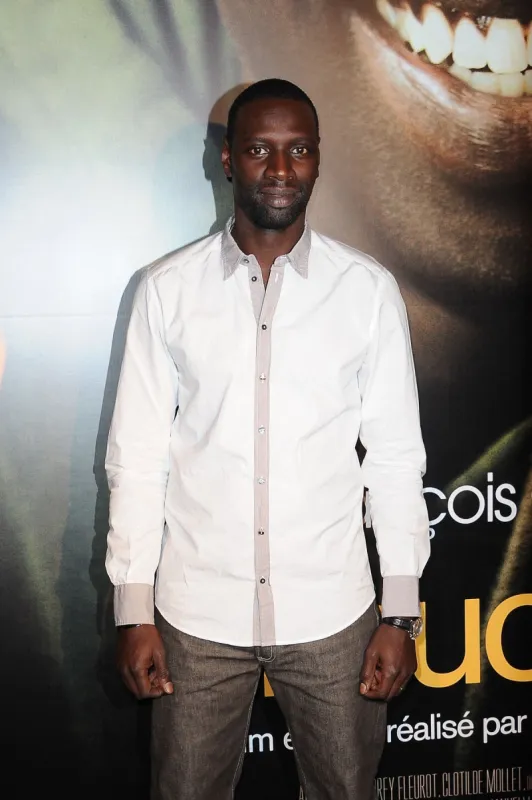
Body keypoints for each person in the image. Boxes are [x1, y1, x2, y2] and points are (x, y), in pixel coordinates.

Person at [105, 78, 430, 800]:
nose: (280, 171)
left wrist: (400, 613)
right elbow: (137, 458)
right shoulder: (166, 291)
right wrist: (133, 610)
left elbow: (397, 458)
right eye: (259, 150)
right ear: (227, 160)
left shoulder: (366, 291)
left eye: (298, 151)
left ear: (317, 160)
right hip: (195, 617)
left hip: (334, 614)